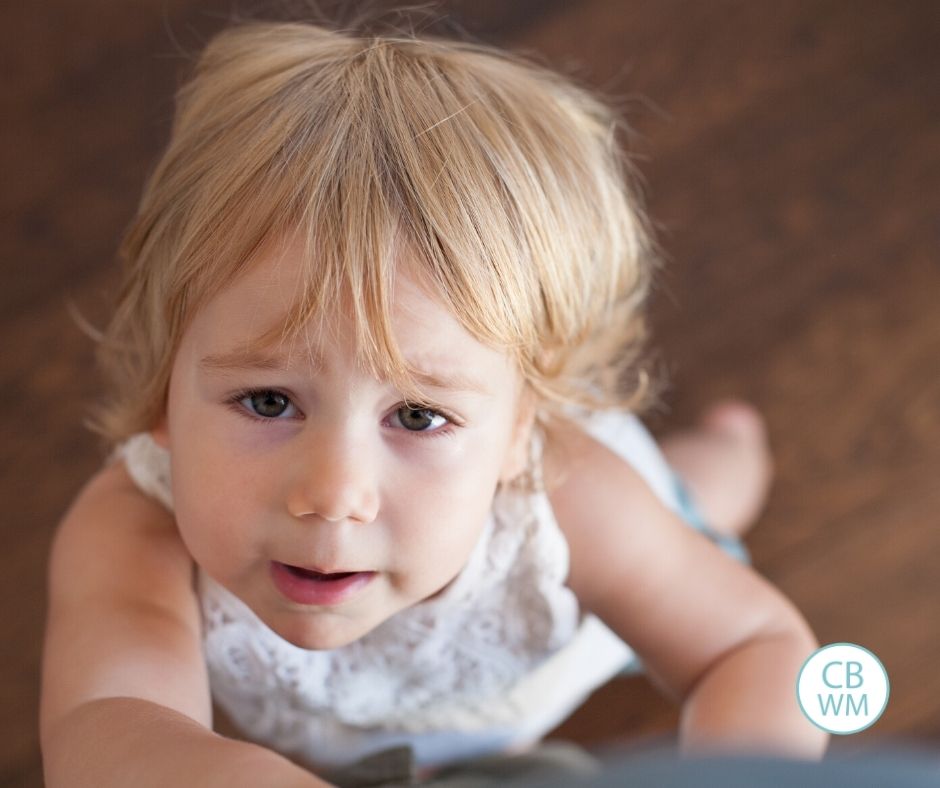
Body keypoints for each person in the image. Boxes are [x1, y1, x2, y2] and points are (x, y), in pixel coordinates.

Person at [39, 16, 829, 787]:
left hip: (561, 643)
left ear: (524, 430)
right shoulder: (132, 529)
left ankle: (732, 448)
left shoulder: (571, 505)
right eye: (270, 401)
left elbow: (754, 646)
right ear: (162, 390)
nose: (333, 494)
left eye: (416, 416)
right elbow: (107, 723)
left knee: (695, 504)